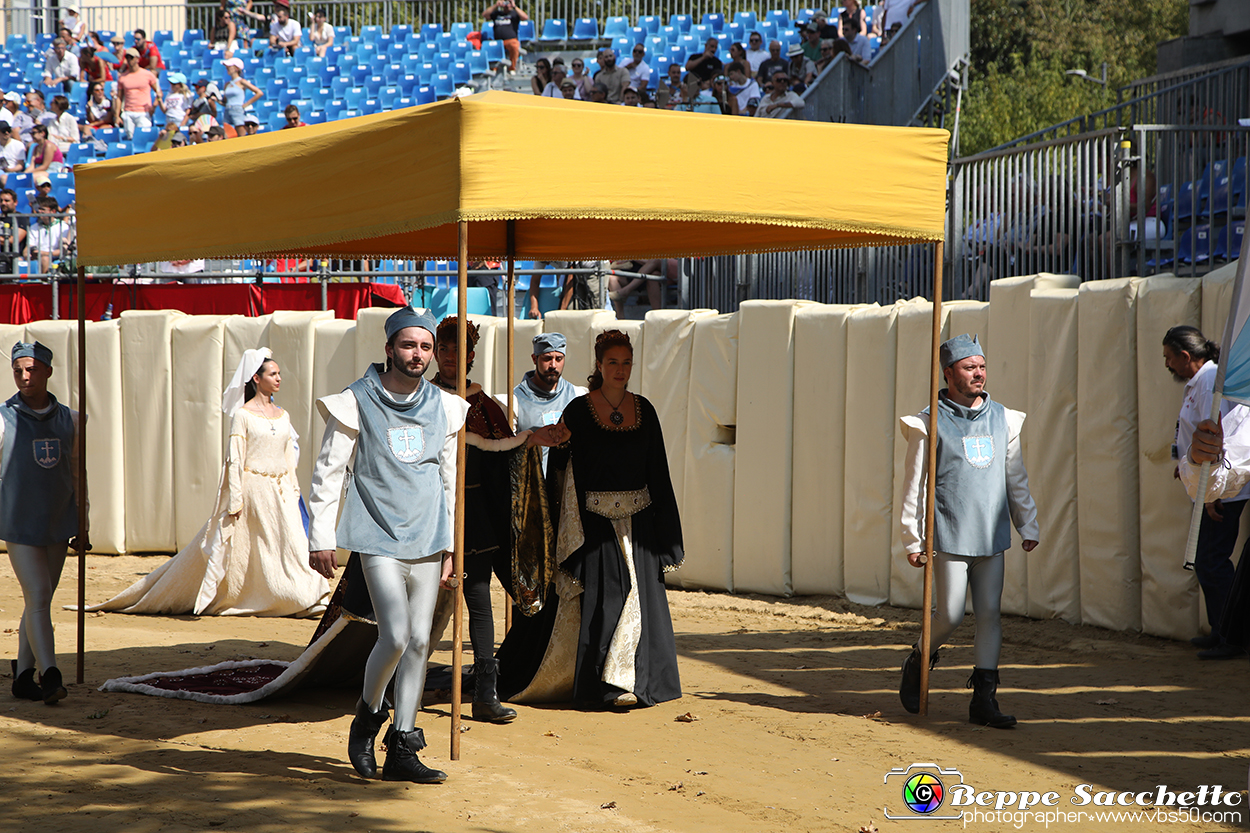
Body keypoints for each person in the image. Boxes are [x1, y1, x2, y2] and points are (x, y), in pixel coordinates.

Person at [307, 307, 468, 784]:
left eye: (425, 346)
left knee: (420, 641)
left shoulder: (446, 406)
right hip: (376, 535)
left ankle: (403, 743)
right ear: (389, 348)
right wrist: (320, 537)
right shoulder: (356, 401)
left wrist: (452, 547)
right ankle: (367, 717)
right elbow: (327, 474)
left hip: (428, 538)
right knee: (395, 635)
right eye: (408, 345)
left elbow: (448, 482)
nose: (417, 354)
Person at [498, 329, 684, 709]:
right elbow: (562, 471)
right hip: (594, 525)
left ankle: (630, 680)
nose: (620, 369)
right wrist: (563, 527)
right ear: (599, 365)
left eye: (626, 362)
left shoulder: (645, 409)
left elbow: (658, 472)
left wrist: (666, 533)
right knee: (612, 599)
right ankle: (607, 682)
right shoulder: (579, 412)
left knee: (639, 602)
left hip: (640, 526)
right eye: (612, 362)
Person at [86, 349, 331, 617]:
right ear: (256, 379)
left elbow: (287, 456)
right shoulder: (243, 415)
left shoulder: (282, 415)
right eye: (273, 374)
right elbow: (235, 459)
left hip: (282, 492)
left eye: (279, 374)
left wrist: (293, 490)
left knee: (291, 543)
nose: (278, 378)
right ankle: (286, 596)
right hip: (253, 490)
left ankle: (306, 593)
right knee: (261, 548)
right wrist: (235, 497)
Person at [897, 335, 1038, 728]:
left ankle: (983, 701)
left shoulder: (1004, 418)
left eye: (981, 365)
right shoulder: (929, 422)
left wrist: (1027, 521)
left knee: (990, 613)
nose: (978, 373)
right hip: (949, 531)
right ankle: (920, 657)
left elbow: (1015, 477)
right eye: (968, 367)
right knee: (952, 614)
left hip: (991, 536)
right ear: (948, 373)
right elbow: (915, 485)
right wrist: (913, 537)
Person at [425, 316, 561, 722]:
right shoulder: (418, 398)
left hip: (477, 519)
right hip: (428, 517)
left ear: (470, 356)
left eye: (459, 351)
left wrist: (530, 441)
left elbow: (506, 453)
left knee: (480, 603)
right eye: (444, 349)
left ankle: (486, 692)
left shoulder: (486, 406)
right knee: (417, 607)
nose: (451, 358)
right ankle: (397, 684)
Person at [5, 341, 84, 705]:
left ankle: (22, 676)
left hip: (57, 520)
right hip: (20, 523)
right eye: (19, 369)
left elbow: (78, 472)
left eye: (32, 368)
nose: (25, 376)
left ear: (48, 371)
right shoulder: (2, 418)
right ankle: (50, 674)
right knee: (37, 596)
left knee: (40, 599)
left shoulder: (72, 419)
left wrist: (83, 521)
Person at [1163, 326, 1247, 659]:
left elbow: (1220, 437)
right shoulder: (1199, 382)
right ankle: (1221, 630)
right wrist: (1184, 464)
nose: (1168, 365)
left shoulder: (1210, 380)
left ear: (1186, 356)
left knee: (1211, 562)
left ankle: (1232, 636)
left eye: (1170, 358)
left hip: (1220, 491)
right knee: (1206, 561)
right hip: (1207, 486)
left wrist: (1215, 494)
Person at [513, 332, 586, 474]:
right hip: (532, 487)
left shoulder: (578, 396)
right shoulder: (514, 401)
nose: (553, 365)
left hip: (566, 486)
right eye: (547, 358)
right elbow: (506, 455)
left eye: (559, 359)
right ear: (534, 359)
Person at [114, 47, 162, 139]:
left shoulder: (147, 75)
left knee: (143, 138)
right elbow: (119, 97)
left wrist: (154, 106)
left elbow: (159, 92)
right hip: (128, 112)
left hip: (143, 112)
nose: (129, 60)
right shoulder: (122, 77)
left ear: (137, 59)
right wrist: (117, 115)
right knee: (130, 138)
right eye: (127, 57)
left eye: (131, 58)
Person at [483, 0, 527, 74]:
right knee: (488, 45)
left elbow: (525, 17)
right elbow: (485, 15)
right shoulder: (497, 14)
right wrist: (496, 5)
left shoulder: (514, 14)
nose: (507, 5)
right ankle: (493, 69)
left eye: (508, 2)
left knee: (515, 45)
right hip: (497, 42)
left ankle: (512, 68)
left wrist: (514, 6)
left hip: (511, 40)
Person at [222, 58, 262, 128]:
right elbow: (225, 101)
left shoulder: (242, 81)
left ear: (236, 68)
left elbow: (259, 93)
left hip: (237, 109)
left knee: (241, 134)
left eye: (229, 66)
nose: (227, 68)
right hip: (227, 110)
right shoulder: (227, 84)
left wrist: (245, 105)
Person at [0, 188, 27, 271]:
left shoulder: (20, 218)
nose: (3, 203)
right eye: (1, 201)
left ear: (15, 202)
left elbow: (13, 241)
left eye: (7, 201)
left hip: (12, 257)